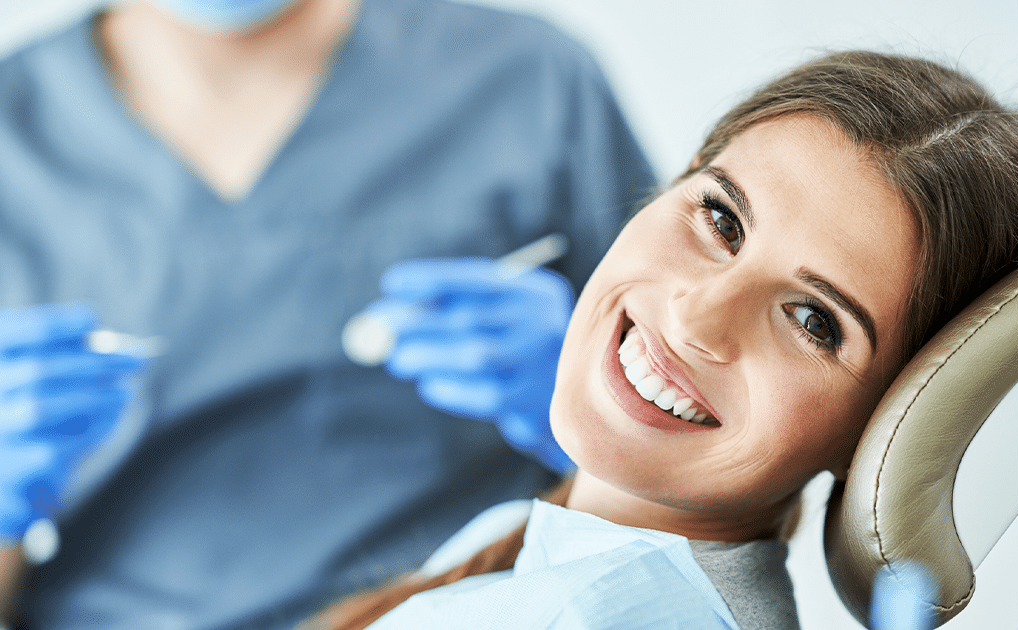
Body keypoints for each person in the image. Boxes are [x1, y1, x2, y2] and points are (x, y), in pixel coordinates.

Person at [292, 50, 1018, 630]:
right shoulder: (538, 552)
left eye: (813, 321)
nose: (699, 318)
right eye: (722, 220)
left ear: (891, 421)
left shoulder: (593, 613)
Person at [0, 0, 655, 628]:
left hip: (462, 606)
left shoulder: (529, 77)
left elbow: (710, 461)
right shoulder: (16, 125)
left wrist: (588, 413)